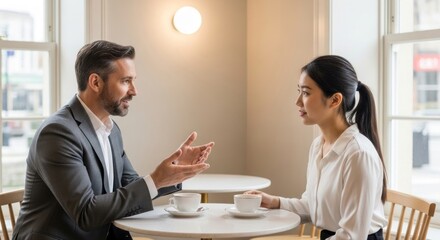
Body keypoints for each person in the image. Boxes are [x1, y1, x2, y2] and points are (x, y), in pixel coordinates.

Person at [12, 40, 214, 240]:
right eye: (126, 81)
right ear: (96, 82)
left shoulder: (110, 129)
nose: (134, 91)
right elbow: (86, 212)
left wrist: (175, 170)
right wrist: (156, 179)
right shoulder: (58, 133)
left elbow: (130, 184)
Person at [246, 55, 387, 239]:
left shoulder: (358, 154)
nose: (297, 102)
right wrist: (275, 202)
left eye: (305, 93)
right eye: (299, 91)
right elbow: (314, 207)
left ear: (335, 100)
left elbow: (352, 235)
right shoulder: (318, 146)